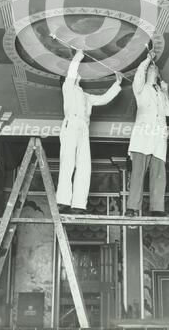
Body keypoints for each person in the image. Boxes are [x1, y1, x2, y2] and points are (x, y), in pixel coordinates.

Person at [56, 49, 122, 214]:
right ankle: (63, 201)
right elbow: (71, 71)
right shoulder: (68, 88)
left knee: (85, 166)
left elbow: (104, 99)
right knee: (68, 163)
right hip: (70, 124)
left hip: (84, 128)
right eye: (73, 74)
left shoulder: (86, 96)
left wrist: (117, 84)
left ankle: (78, 204)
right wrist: (78, 55)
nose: (77, 74)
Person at [125, 51, 169, 217]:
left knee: (159, 176)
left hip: (159, 140)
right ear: (148, 73)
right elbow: (139, 75)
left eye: (156, 69)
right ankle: (132, 208)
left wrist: (166, 92)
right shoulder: (140, 89)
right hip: (142, 139)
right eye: (151, 69)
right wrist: (147, 60)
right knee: (138, 174)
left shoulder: (161, 94)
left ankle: (157, 208)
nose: (154, 70)